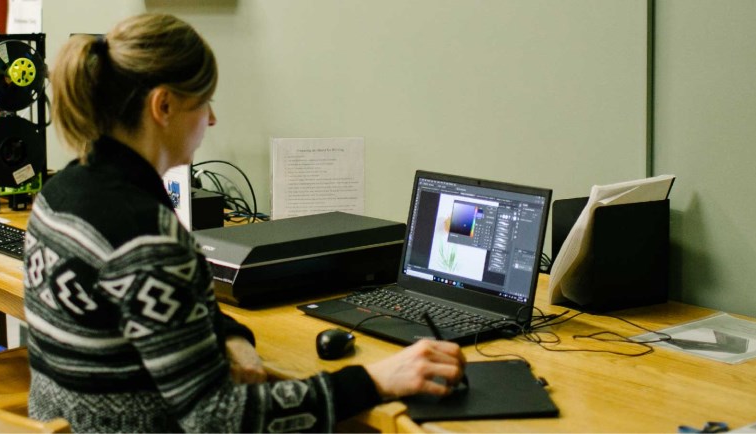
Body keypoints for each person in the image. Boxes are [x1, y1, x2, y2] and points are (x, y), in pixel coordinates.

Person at [24, 13, 465, 432]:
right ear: (164, 105)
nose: (212, 119)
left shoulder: (58, 195)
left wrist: (233, 335)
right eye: (204, 103)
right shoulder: (147, 238)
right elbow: (222, 421)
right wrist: (376, 380)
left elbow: (165, 319)